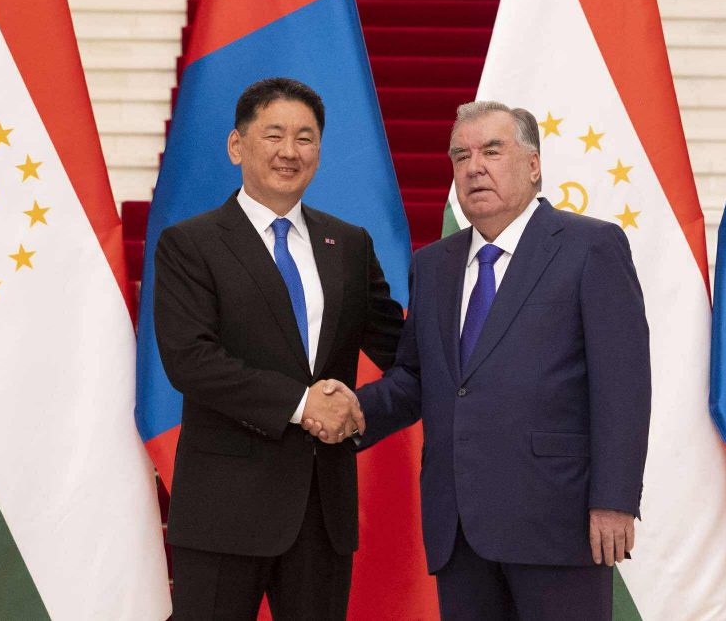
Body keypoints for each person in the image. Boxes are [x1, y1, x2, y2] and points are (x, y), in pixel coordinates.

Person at [306, 100, 651, 620]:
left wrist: (615, 498)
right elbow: (417, 377)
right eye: (461, 156)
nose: (474, 167)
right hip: (459, 526)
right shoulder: (433, 264)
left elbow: (623, 385)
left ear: (533, 165)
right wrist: (353, 410)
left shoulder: (590, 246)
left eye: (492, 151)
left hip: (557, 520)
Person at [153, 77, 404, 620]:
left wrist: (360, 410)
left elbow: (405, 352)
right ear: (237, 145)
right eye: (273, 135)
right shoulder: (190, 244)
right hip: (224, 510)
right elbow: (191, 361)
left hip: (322, 510)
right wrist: (302, 403)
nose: (290, 151)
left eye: (305, 138)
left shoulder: (349, 244)